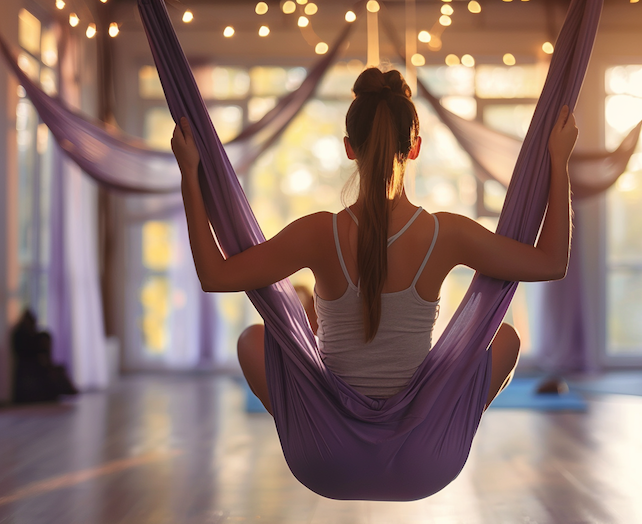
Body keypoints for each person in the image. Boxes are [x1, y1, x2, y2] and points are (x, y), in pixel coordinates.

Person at [171, 67, 577, 416]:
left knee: (251, 340)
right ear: (415, 148)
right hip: (421, 446)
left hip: (326, 447)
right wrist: (559, 161)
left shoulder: (318, 232)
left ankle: (313, 427)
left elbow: (214, 275)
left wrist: (190, 175)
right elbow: (552, 262)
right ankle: (436, 425)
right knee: (507, 338)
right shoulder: (446, 234)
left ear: (349, 148)